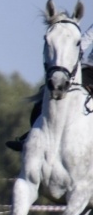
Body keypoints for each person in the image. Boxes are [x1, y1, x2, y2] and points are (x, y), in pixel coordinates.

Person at [5, 22, 93, 152]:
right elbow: (84, 40)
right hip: (89, 70)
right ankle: (31, 136)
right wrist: (76, 56)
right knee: (46, 93)